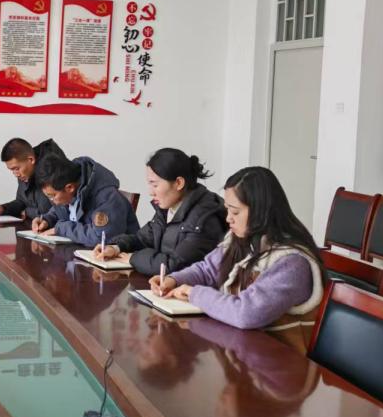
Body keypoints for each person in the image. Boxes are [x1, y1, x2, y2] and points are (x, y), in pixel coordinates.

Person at [151, 166, 323, 351]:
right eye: (227, 210)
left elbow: (246, 313)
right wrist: (174, 280)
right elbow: (207, 270)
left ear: (260, 212)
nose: (228, 219)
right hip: (243, 352)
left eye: (235, 212)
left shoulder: (292, 263)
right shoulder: (242, 240)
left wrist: (194, 294)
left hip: (280, 362)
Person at [92, 148, 226, 276]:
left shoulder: (204, 218)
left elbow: (175, 265)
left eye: (155, 185)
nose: (151, 192)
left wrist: (133, 258)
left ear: (179, 183)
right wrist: (116, 248)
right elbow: (142, 239)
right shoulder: (168, 208)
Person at [31, 154, 139, 247]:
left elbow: (101, 238)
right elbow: (63, 209)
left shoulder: (107, 197)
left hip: (114, 259)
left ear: (69, 188)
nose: (52, 201)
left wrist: (62, 228)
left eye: (52, 196)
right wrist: (47, 219)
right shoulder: (72, 184)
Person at [0, 137, 67, 220]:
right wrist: (3, 208)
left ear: (31, 160)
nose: (15, 174)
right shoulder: (25, 172)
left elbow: (50, 211)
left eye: (16, 168)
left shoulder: (52, 170)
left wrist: (27, 211)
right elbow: (22, 201)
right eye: (12, 170)